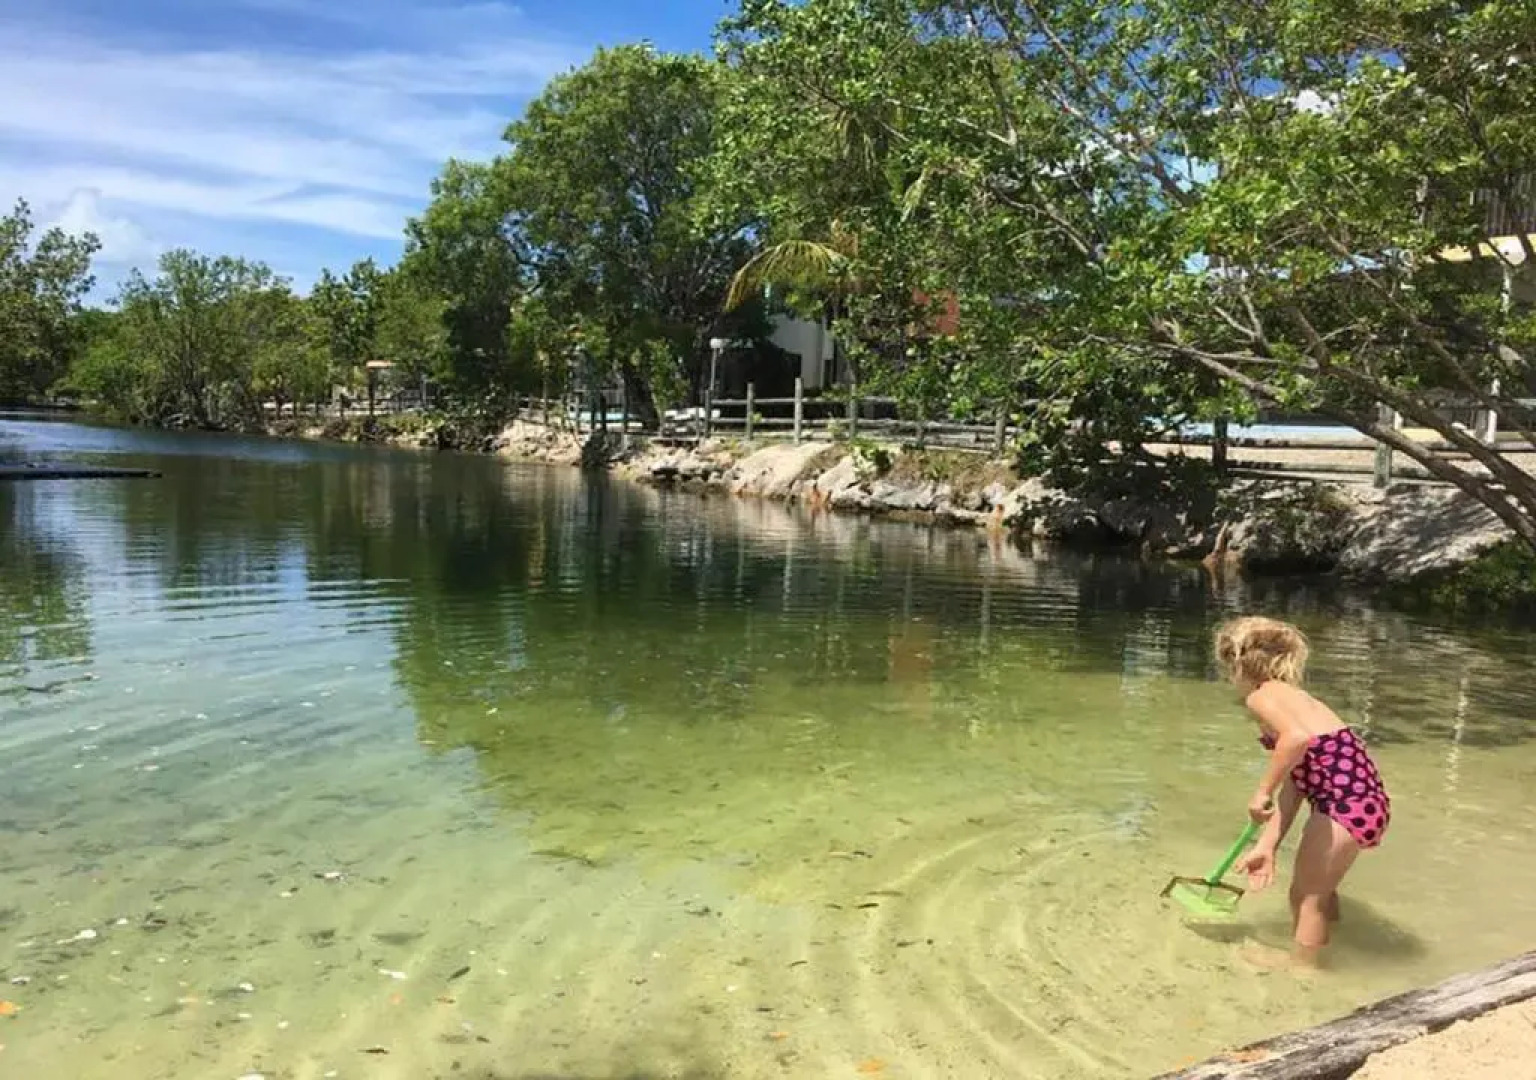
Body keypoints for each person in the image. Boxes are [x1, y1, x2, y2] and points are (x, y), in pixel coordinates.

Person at [1213, 616, 1390, 966]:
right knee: (1323, 890)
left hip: (1342, 804)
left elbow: (1295, 740)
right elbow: (1296, 787)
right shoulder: (1297, 698)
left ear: (1236, 663)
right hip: (1364, 802)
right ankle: (1335, 942)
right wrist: (1266, 846)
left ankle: (1304, 971)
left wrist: (1261, 791)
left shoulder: (1262, 696)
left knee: (1306, 896)